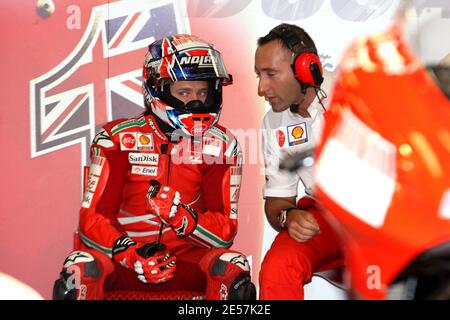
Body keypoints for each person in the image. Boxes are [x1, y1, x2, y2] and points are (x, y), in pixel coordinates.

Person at [53, 34, 256, 300]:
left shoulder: (222, 145)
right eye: (184, 92)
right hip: (123, 261)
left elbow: (224, 231)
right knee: (79, 269)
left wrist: (182, 218)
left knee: (233, 269)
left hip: (186, 262)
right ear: (156, 88)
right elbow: (92, 219)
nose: (195, 102)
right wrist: (130, 253)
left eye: (202, 92)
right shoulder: (116, 138)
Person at [254, 23, 343, 299]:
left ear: (306, 68)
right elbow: (278, 198)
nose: (261, 88)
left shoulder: (354, 92)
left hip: (385, 219)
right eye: (259, 75)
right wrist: (288, 216)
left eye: (271, 74)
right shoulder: (274, 121)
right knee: (279, 265)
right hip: (327, 220)